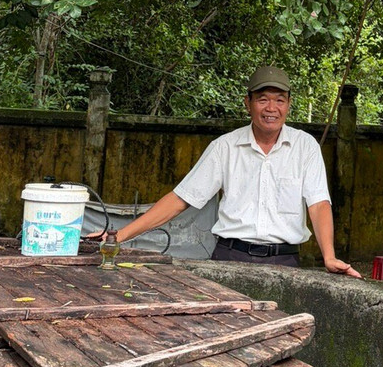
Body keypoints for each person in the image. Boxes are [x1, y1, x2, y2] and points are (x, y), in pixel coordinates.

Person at [112, 65, 360, 277]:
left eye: (280, 100)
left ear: (289, 104)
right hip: (229, 257)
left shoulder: (305, 147)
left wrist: (329, 256)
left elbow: (318, 204)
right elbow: (181, 199)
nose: (271, 108)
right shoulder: (224, 147)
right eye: (262, 99)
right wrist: (119, 236)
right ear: (248, 103)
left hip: (285, 262)